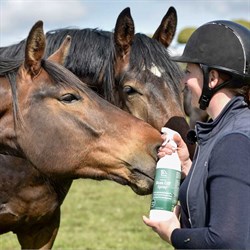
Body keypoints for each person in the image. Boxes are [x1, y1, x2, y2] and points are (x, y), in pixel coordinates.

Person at [143, 20, 250, 249]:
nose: (183, 81)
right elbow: (228, 195)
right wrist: (188, 166)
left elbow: (228, 241)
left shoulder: (233, 140)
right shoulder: (224, 129)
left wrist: (173, 233)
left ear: (212, 78)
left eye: (189, 72)